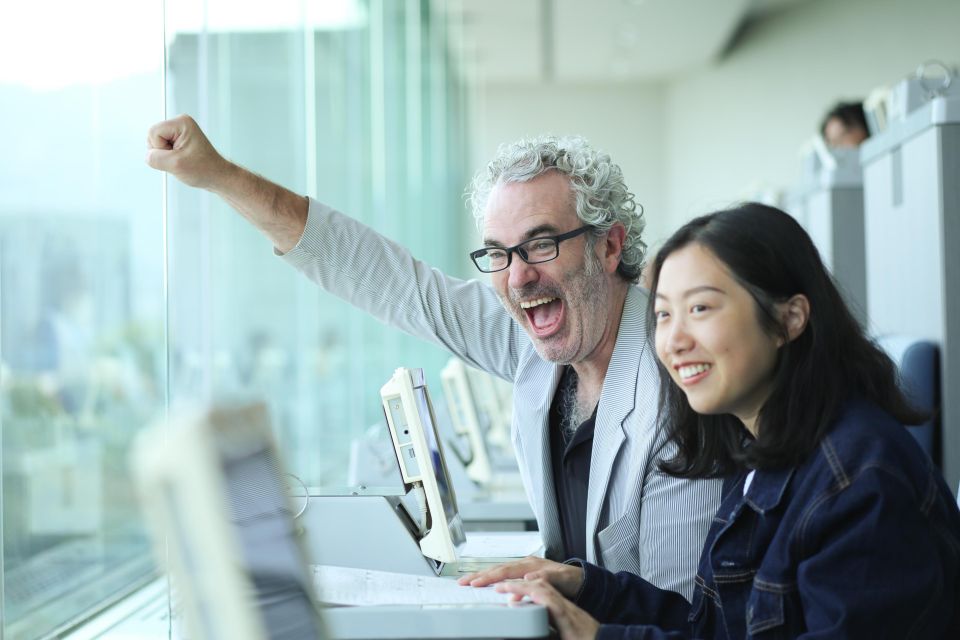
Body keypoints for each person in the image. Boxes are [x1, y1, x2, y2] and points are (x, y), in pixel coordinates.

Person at [145, 115, 721, 598]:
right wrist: (219, 176)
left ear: (609, 245)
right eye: (498, 253)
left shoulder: (677, 382)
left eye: (541, 244)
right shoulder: (538, 347)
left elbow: (690, 615)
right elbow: (387, 281)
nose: (519, 276)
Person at [462, 202, 960, 638]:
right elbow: (713, 628)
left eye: (700, 308)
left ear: (790, 319)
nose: (674, 341)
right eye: (663, 315)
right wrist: (587, 587)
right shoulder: (757, 458)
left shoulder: (858, 486)